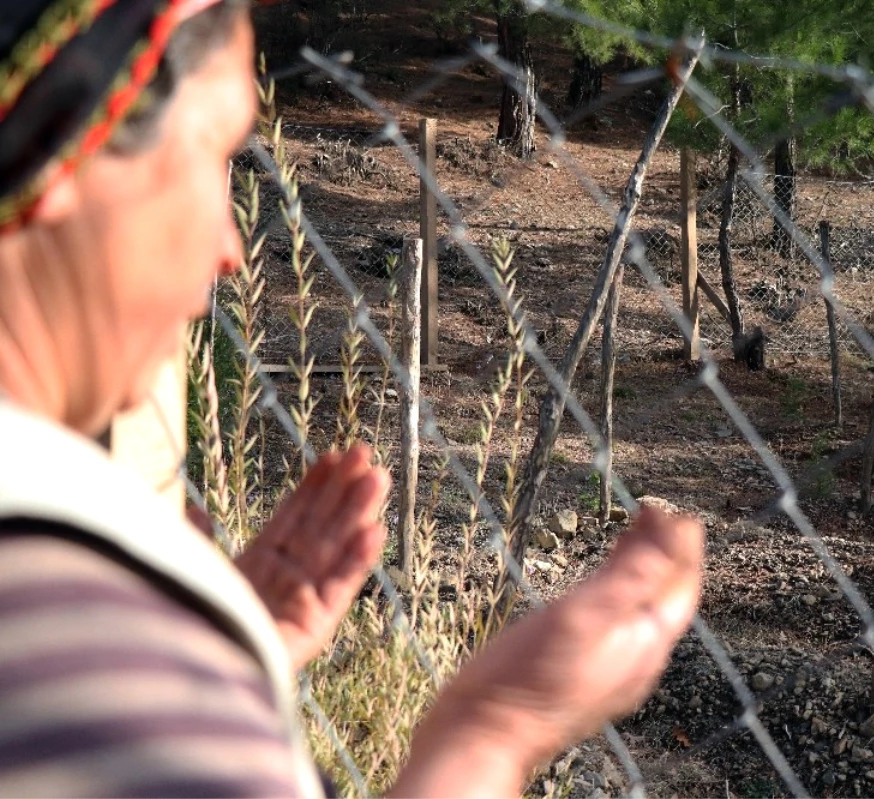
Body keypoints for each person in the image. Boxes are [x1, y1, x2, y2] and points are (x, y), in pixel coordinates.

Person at [0, 1, 705, 797]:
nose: (232, 249)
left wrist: (227, 656)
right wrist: (492, 731)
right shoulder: (70, 651)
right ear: (64, 144)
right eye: (216, 153)